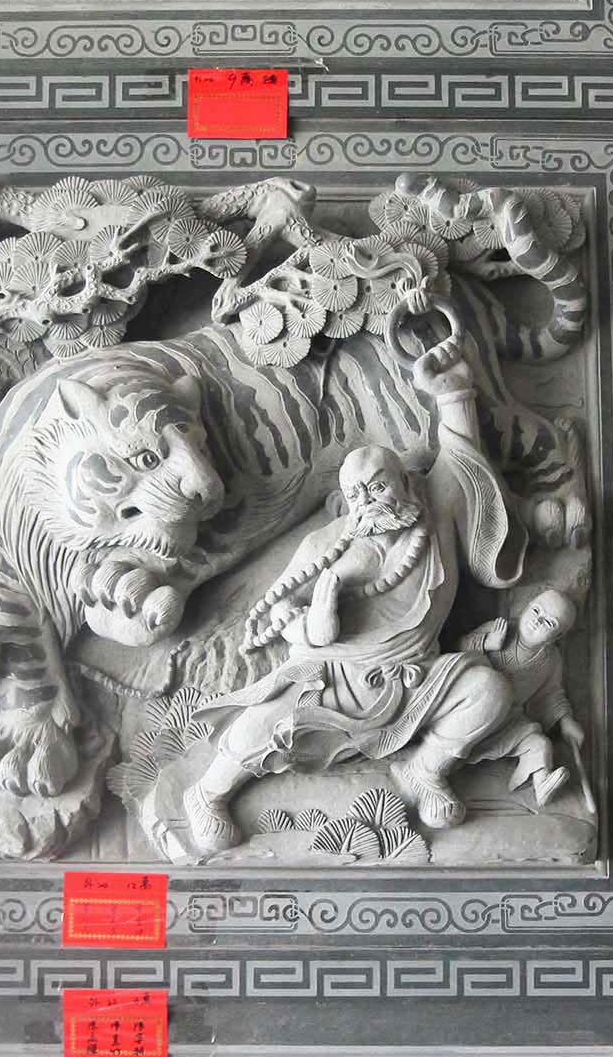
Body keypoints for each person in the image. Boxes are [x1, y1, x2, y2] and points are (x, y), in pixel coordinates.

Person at [184, 330, 545, 852]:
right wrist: (299, 615)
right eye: (356, 494)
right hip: (335, 679)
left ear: (405, 483)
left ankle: (424, 770)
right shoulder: (326, 546)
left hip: (417, 676)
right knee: (264, 724)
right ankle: (207, 794)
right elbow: (288, 615)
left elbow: (460, 455)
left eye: (378, 485)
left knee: (488, 691)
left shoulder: (435, 514)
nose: (368, 500)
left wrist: (453, 393)